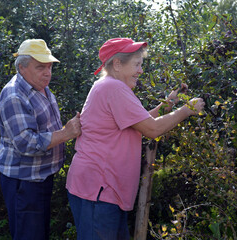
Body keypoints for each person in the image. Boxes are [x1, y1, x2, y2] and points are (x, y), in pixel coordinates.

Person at [65, 38, 204, 240]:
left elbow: (140, 120)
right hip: (99, 190)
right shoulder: (113, 88)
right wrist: (187, 109)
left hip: (103, 190)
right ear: (118, 64)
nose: (140, 71)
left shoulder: (108, 86)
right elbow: (152, 128)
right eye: (136, 64)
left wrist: (171, 102)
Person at [0, 39, 81, 240]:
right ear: (22, 67)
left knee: (38, 234)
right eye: (40, 67)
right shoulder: (14, 95)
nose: (47, 72)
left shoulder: (40, 87)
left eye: (49, 66)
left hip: (39, 177)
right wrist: (66, 133)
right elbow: (26, 143)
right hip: (24, 181)